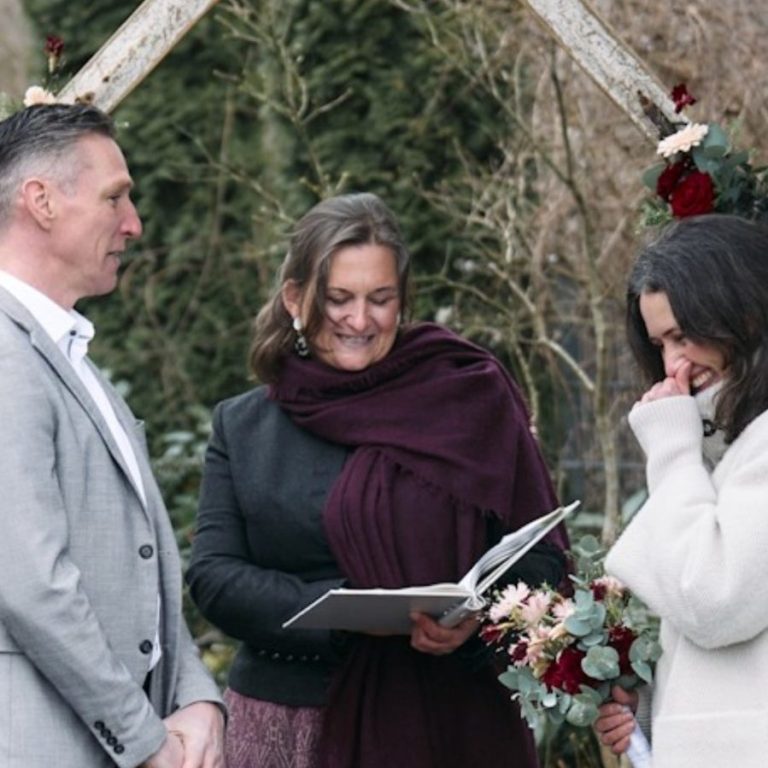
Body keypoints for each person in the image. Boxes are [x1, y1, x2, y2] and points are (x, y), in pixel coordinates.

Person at [186, 191, 568, 768]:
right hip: (287, 723)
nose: (360, 320)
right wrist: (342, 614)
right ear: (294, 298)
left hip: (451, 722)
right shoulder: (244, 427)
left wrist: (476, 621)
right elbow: (215, 577)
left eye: (381, 299)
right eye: (338, 299)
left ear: (403, 301)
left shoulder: (468, 398)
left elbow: (541, 557)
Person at [0, 104, 225, 768]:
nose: (134, 223)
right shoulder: (5, 357)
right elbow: (31, 584)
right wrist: (144, 740)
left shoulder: (69, 357)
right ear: (41, 201)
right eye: (114, 197)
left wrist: (196, 697)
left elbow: (137, 562)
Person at [593, 214, 768, 768]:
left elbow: (711, 598)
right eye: (659, 343)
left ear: (743, 314)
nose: (673, 364)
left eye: (682, 336)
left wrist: (670, 450)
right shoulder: (733, 446)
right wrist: (647, 710)